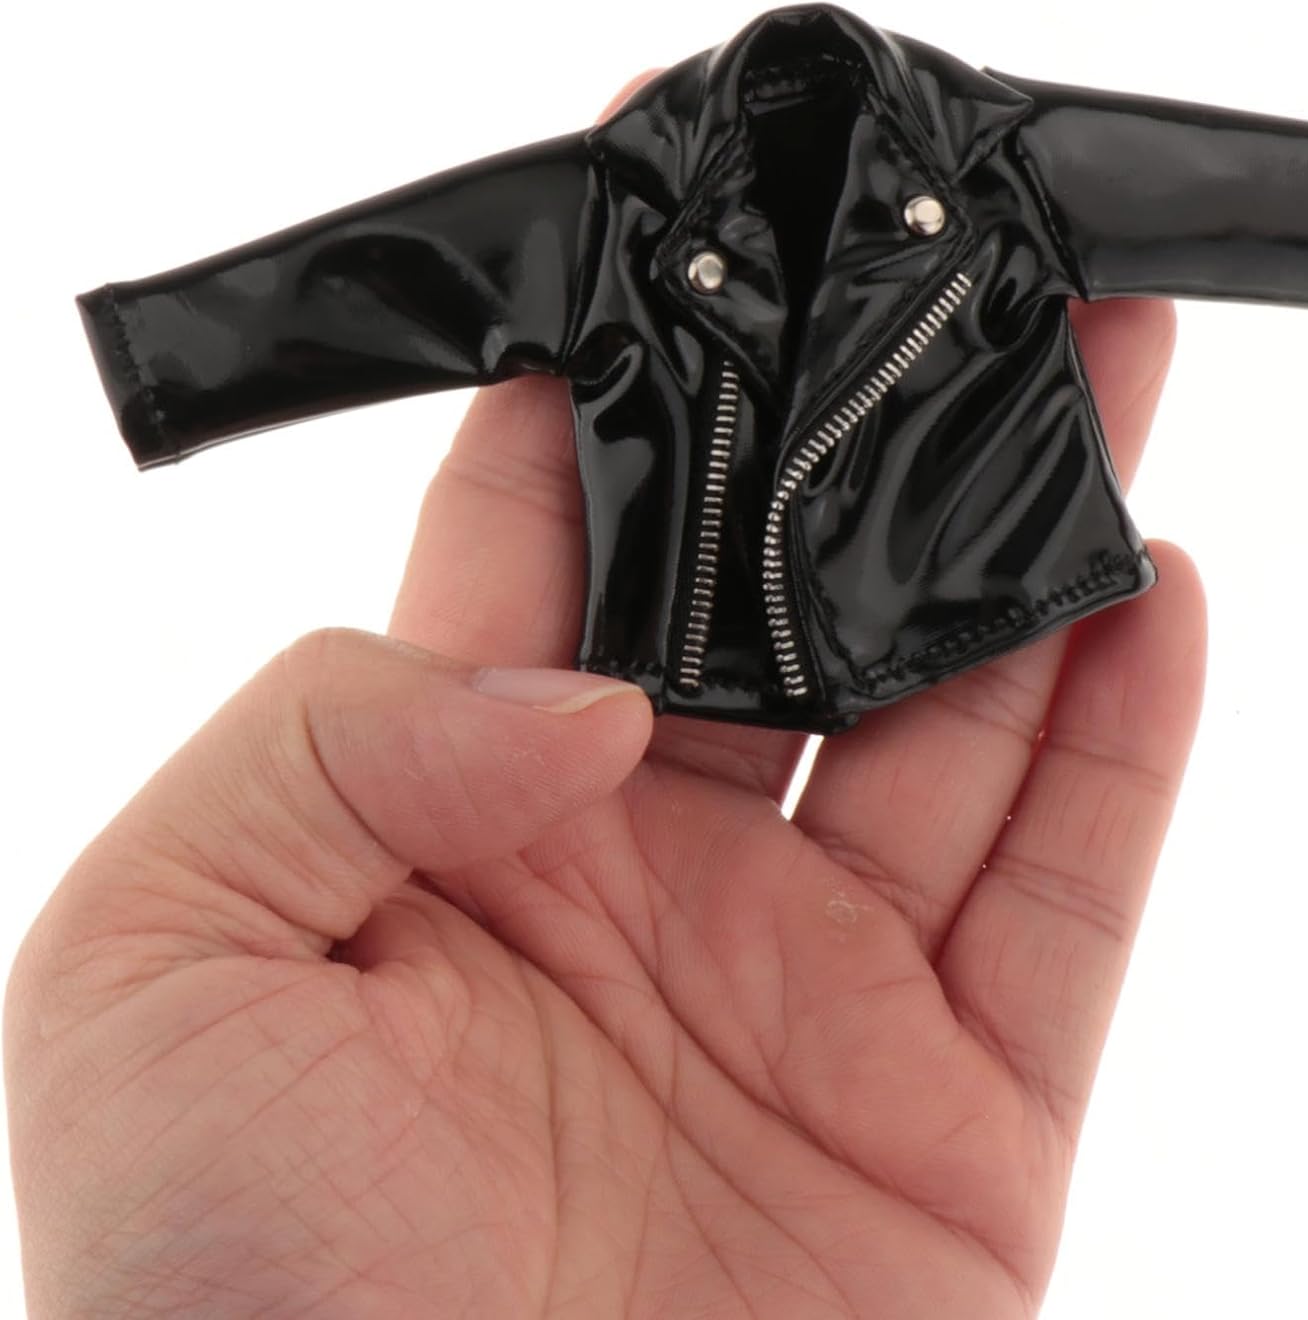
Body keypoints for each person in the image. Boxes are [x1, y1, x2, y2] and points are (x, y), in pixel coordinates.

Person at [3, 75, 1206, 1319]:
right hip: (700, 646)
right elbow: (397, 271)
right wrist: (174, 357)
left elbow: (1248, 188)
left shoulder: (1002, 154)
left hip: (986, 583)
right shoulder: (616, 202)